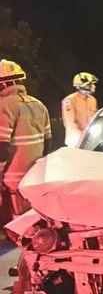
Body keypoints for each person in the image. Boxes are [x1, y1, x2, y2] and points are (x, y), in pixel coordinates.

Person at [0, 59, 51, 218]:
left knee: (18, 225)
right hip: (36, 177)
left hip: (13, 180)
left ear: (3, 84)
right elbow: (47, 142)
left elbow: (2, 147)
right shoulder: (39, 104)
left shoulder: (4, 106)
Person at [62, 71, 98, 147]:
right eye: (91, 84)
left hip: (91, 140)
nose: (93, 86)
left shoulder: (93, 100)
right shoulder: (69, 100)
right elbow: (70, 124)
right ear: (83, 85)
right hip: (75, 141)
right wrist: (83, 137)